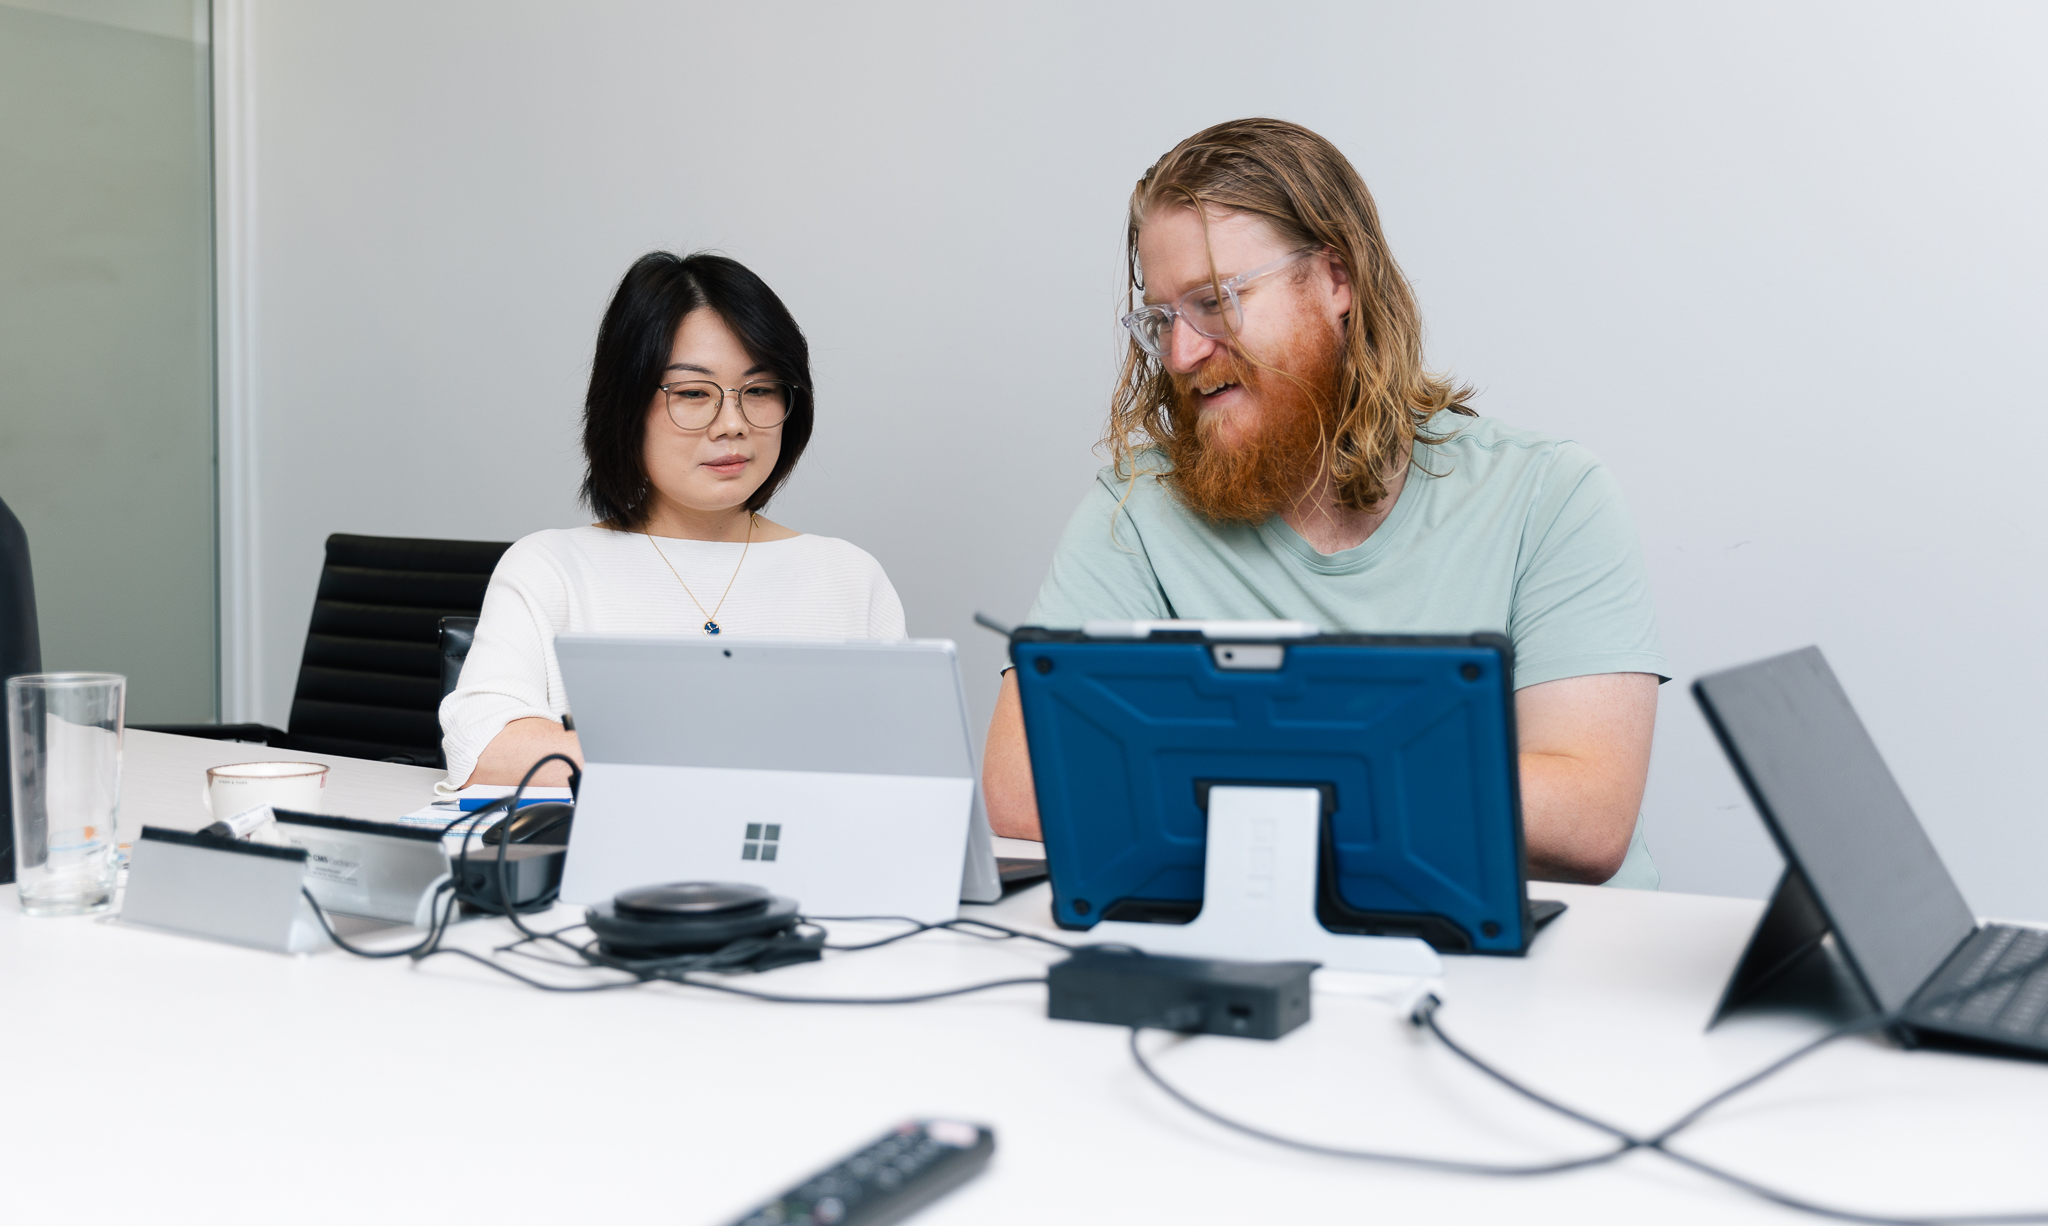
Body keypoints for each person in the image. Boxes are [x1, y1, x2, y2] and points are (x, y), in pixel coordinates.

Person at [983, 119, 1668, 887]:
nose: (1181, 354)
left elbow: (1587, 812)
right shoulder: (1136, 512)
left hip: (1543, 972)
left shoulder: (1550, 495)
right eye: (1162, 319)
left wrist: (1218, 761)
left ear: (1335, 280)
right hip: (1265, 944)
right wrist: (1371, 774)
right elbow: (1020, 790)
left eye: (1214, 301)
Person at [439, 251, 906, 790]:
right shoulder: (550, 567)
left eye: (758, 390)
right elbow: (483, 750)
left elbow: (904, 770)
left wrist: (626, 748)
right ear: (626, 405)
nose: (732, 424)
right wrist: (732, 746)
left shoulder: (849, 576)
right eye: (692, 393)